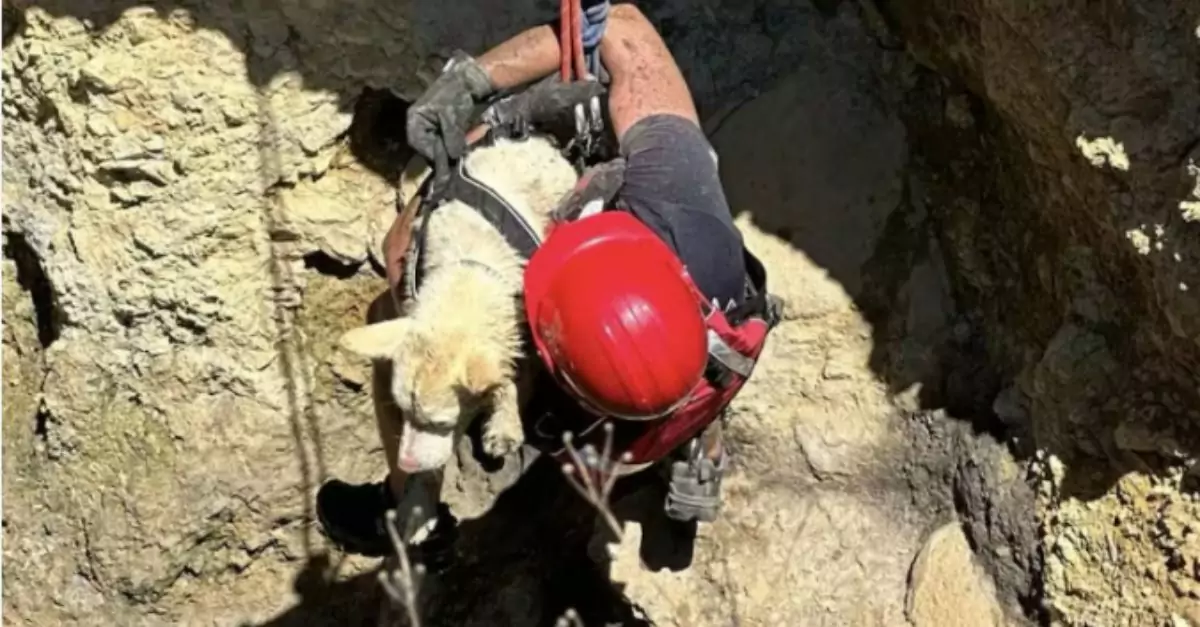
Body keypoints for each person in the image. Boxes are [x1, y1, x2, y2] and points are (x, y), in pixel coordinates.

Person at [316, 2, 768, 559]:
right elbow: (624, 28)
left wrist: (478, 93)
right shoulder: (680, 208)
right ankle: (701, 452)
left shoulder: (541, 393)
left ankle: (411, 506)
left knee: (399, 298)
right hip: (707, 363)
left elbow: (613, 22)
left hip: (587, 435)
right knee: (701, 354)